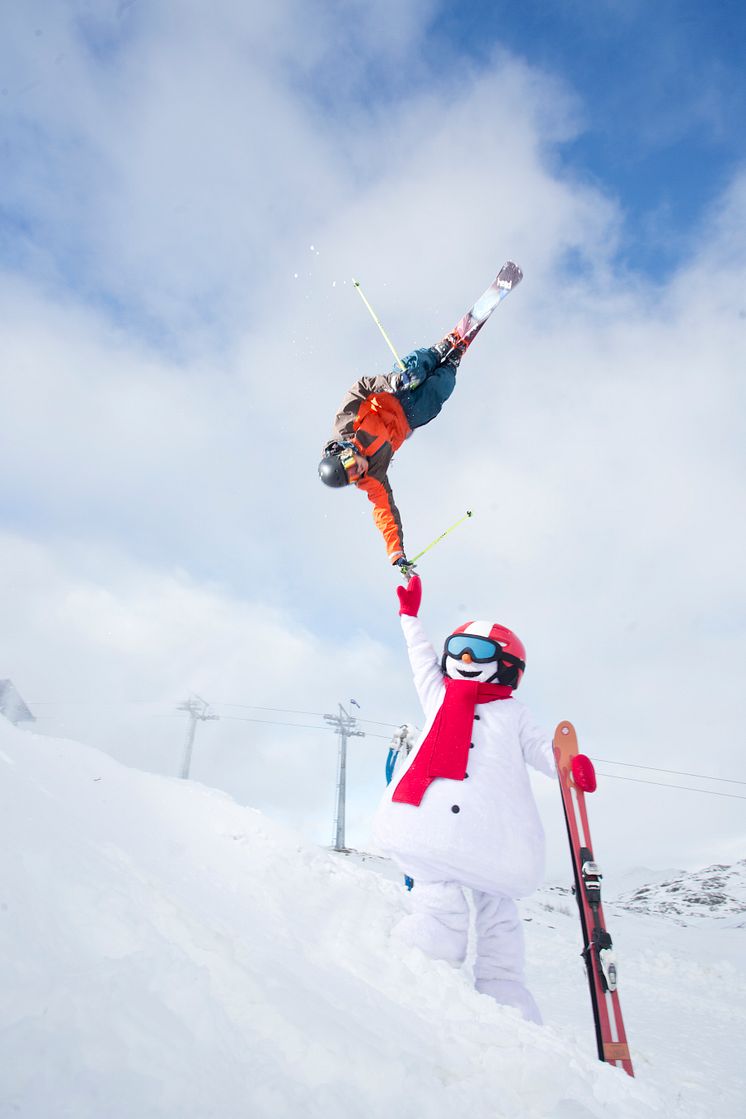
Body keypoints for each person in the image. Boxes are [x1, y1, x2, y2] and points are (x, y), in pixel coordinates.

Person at [371, 574, 559, 1024]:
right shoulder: (439, 696)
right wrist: (409, 616)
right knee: (440, 899)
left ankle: (503, 986)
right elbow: (419, 659)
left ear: (508, 663)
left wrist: (568, 766)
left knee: (499, 914)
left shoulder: (513, 713)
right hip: (433, 831)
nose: (468, 659)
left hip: (493, 839)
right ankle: (425, 961)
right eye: (457, 652)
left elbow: (540, 750)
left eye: (483, 654)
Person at [318, 336, 463, 570]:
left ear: (343, 454)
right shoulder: (371, 479)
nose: (360, 472)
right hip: (409, 417)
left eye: (353, 468)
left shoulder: (344, 426)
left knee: (413, 368)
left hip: (393, 393)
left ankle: (439, 351)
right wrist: (396, 553)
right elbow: (384, 513)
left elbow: (360, 387)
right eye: (354, 478)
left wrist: (392, 382)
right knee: (438, 391)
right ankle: (451, 364)